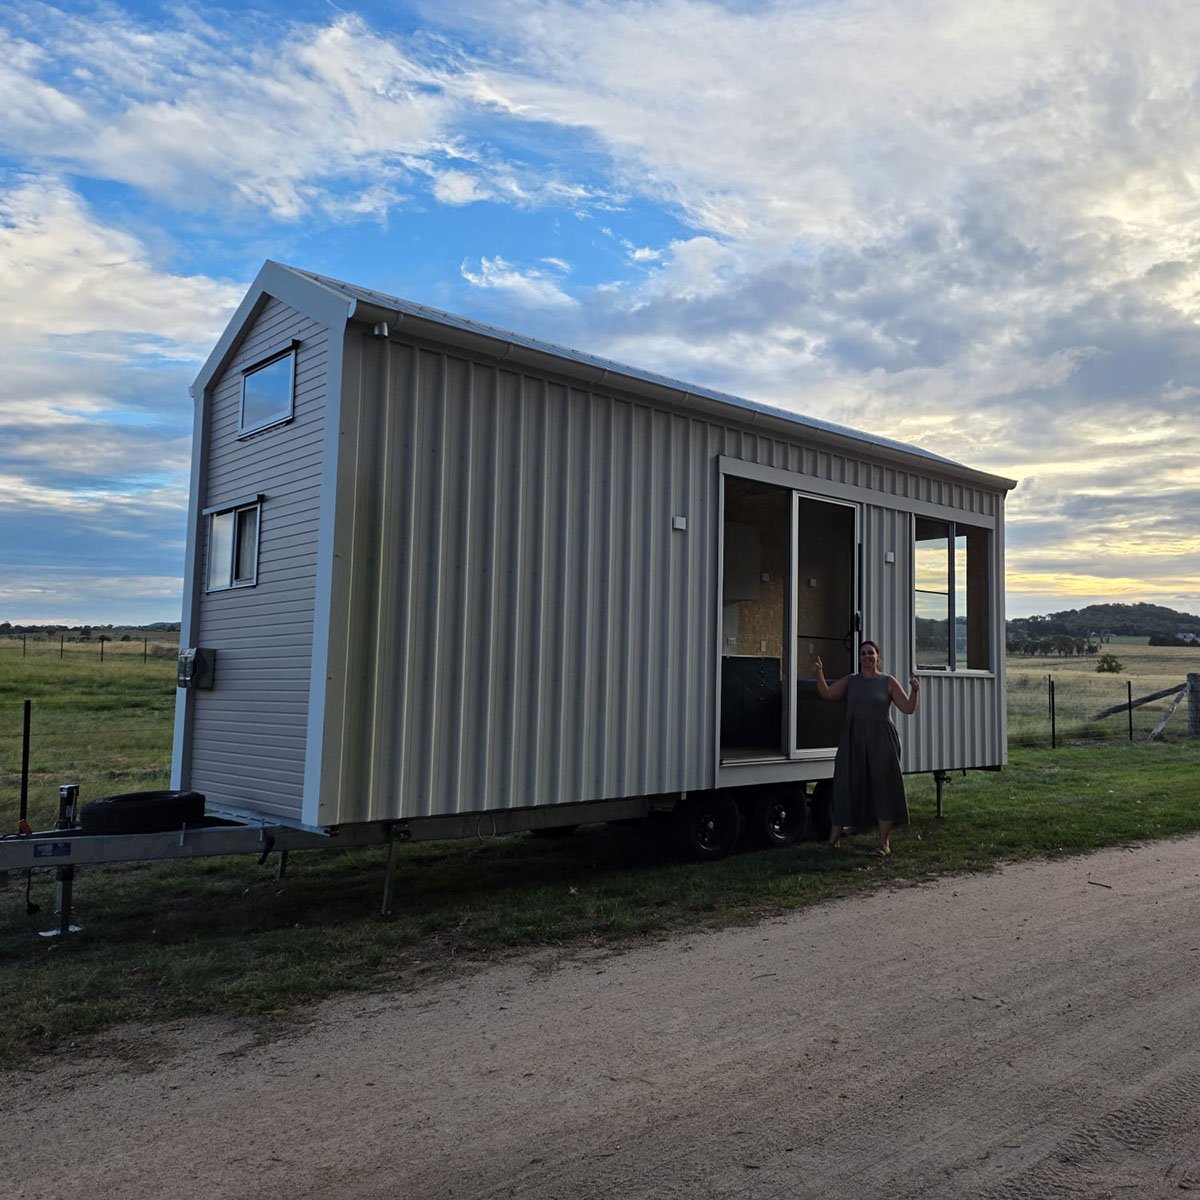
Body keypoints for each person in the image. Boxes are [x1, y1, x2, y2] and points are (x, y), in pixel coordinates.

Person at [813, 640, 919, 856]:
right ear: (859, 657)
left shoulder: (888, 681)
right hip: (853, 739)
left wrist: (915, 690)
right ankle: (833, 841)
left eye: (871, 653)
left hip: (882, 739)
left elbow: (908, 708)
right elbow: (828, 694)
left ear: (878, 656)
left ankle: (883, 844)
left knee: (883, 787)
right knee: (844, 784)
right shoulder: (852, 681)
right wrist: (819, 675)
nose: (867, 656)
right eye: (863, 653)